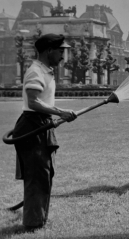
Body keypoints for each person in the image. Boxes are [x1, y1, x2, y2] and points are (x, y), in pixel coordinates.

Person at [12, 33, 77, 232]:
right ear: (49, 51)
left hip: (41, 124)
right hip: (32, 126)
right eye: (60, 51)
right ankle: (33, 223)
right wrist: (60, 112)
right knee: (37, 175)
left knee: (44, 173)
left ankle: (38, 219)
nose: (63, 56)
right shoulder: (35, 71)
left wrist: (54, 116)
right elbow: (32, 102)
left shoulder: (45, 70)